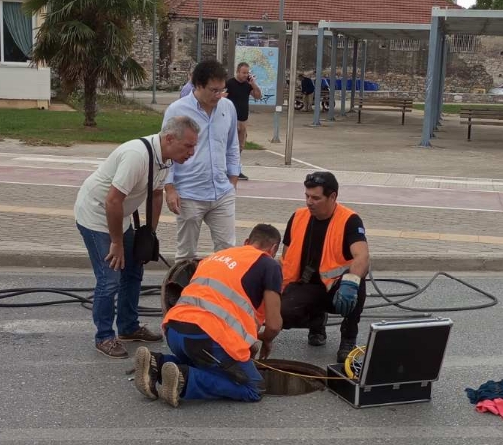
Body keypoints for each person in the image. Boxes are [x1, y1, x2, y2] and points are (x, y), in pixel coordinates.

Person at [73, 116, 199, 358]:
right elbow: (112, 200)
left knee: (133, 270)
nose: (192, 152)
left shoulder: (166, 158)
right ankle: (104, 337)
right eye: (189, 146)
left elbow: (156, 194)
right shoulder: (137, 156)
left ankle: (128, 327)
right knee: (109, 278)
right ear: (170, 138)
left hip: (119, 216)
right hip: (96, 214)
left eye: (194, 146)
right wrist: (117, 242)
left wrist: (149, 234)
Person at [134, 224, 283, 407]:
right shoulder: (269, 264)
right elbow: (274, 325)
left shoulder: (215, 257)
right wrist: (266, 339)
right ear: (273, 249)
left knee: (207, 364)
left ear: (246, 242)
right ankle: (185, 379)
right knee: (253, 388)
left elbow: (228, 309)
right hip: (206, 338)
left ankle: (156, 362)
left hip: (174, 331)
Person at [278, 171, 370, 364]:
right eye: (307, 196)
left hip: (336, 287)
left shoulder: (349, 220)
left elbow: (362, 256)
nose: (309, 202)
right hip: (305, 285)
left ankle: (348, 339)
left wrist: (350, 283)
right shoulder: (297, 217)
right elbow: (286, 257)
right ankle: (316, 323)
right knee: (282, 314)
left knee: (357, 281)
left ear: (333, 197)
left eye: (316, 198)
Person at [160, 59, 242, 262]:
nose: (218, 95)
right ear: (198, 86)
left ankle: (221, 292)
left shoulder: (227, 107)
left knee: (227, 253)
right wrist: (169, 188)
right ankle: (183, 291)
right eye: (213, 90)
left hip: (222, 192)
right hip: (188, 193)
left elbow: (232, 145)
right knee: (186, 255)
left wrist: (233, 179)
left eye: (221, 90)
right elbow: (165, 150)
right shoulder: (176, 110)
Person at [225, 62, 262, 180]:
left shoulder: (248, 84)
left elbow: (258, 96)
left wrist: (254, 85)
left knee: (240, 146)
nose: (246, 75)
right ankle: (226, 169)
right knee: (230, 146)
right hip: (231, 119)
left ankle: (236, 169)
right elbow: (222, 97)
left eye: (247, 73)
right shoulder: (229, 83)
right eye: (243, 73)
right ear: (237, 72)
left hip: (243, 119)